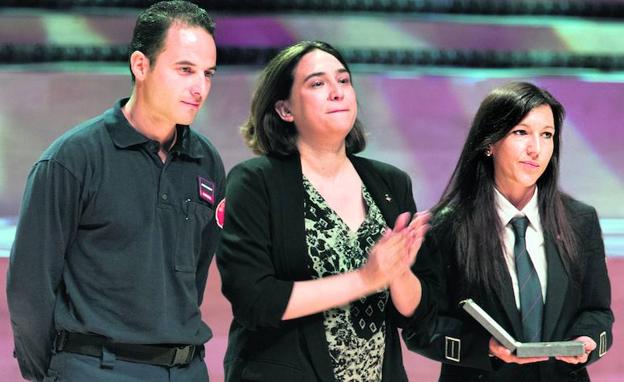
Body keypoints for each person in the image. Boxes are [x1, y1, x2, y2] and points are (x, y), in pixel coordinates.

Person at [6, 1, 224, 381]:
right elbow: (30, 288)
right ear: (141, 65)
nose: (199, 87)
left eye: (208, 73)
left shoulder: (207, 162)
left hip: (187, 370)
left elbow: (195, 276)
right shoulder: (72, 159)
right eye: (185, 70)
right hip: (95, 369)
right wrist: (57, 374)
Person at [216, 40, 437, 381]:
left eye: (344, 80)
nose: (337, 92)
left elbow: (409, 314)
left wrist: (399, 274)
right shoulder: (255, 182)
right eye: (318, 83)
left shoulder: (390, 183)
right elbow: (255, 301)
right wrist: (365, 279)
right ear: (285, 109)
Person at [402, 82, 613, 381]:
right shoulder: (445, 227)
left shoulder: (580, 221)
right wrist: (485, 348)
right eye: (521, 132)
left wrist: (586, 342)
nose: (536, 149)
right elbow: (422, 329)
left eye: (547, 135)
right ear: (489, 143)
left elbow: (597, 312)